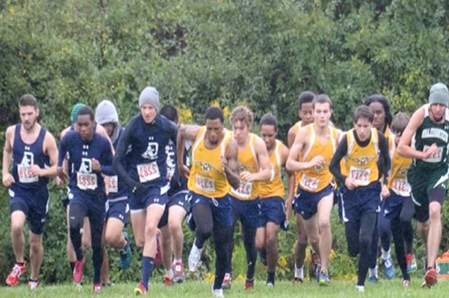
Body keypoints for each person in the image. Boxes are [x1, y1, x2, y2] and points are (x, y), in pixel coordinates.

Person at [113, 87, 178, 295]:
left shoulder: (166, 125)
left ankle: (144, 285)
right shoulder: (133, 126)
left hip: (157, 185)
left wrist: (178, 169)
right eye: (144, 107)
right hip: (136, 186)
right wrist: (130, 183)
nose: (147, 112)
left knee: (150, 227)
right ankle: (155, 238)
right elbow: (117, 161)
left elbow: (181, 139)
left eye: (150, 108)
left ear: (156, 109)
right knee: (141, 240)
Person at [178, 107, 239, 298]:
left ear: (223, 127)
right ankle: (198, 242)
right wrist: (180, 162)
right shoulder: (196, 133)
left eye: (217, 129)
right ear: (205, 125)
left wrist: (226, 170)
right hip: (199, 191)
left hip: (221, 196)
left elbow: (236, 183)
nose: (213, 133)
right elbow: (179, 131)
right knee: (205, 229)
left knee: (223, 246)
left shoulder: (229, 145)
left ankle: (217, 287)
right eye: (210, 128)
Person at [329, 105, 390, 292]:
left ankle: (360, 284)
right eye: (359, 126)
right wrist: (345, 180)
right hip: (350, 194)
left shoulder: (379, 139)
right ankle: (364, 246)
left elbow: (386, 162)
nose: (362, 131)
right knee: (353, 247)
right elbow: (332, 166)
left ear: (372, 124)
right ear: (354, 124)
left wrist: (381, 180)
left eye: (366, 126)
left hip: (371, 192)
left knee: (366, 240)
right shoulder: (346, 139)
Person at [3, 94, 59, 289]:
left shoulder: (47, 138)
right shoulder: (12, 132)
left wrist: (42, 171)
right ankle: (19, 263)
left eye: (29, 114)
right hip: (19, 190)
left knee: (36, 242)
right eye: (22, 114)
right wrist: (4, 173)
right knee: (16, 225)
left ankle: (34, 278)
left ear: (37, 112)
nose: (26, 118)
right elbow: (8, 150)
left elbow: (58, 167)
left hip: (38, 194)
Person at [397, 83, 449, 288]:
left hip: (439, 172)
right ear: (430, 104)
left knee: (435, 210)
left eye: (442, 105)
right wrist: (422, 154)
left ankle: (430, 268)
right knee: (422, 225)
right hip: (419, 173)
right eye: (435, 104)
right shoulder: (420, 115)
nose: (438, 109)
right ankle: (430, 255)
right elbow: (401, 148)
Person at [57, 106, 114, 292]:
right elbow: (62, 146)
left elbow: (113, 169)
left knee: (98, 243)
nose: (82, 129)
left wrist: (101, 168)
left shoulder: (102, 143)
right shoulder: (70, 138)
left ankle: (97, 280)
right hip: (78, 191)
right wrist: (59, 166)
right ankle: (79, 257)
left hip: (96, 195)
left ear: (93, 125)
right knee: (73, 225)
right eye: (79, 125)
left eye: (86, 125)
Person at [286, 94, 340, 286]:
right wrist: (309, 164)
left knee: (324, 222)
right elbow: (290, 163)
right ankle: (318, 260)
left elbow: (350, 154)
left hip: (326, 186)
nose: (322, 116)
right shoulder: (304, 133)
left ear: (330, 113)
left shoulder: (337, 135)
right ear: (313, 112)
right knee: (313, 239)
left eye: (325, 112)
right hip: (306, 189)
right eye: (318, 112)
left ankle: (324, 270)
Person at [224, 106, 271, 290]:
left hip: (252, 200)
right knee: (226, 234)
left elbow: (268, 172)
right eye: (234, 128)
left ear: (249, 127)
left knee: (250, 242)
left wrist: (254, 176)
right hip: (232, 197)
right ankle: (226, 274)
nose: (237, 132)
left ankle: (250, 277)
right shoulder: (227, 142)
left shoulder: (257, 144)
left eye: (241, 128)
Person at [255, 113, 294, 286]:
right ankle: (263, 253)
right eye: (263, 135)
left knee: (271, 237)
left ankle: (271, 277)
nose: (266, 139)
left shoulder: (283, 151)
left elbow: (291, 172)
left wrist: (290, 197)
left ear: (276, 133)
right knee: (259, 243)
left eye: (270, 136)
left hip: (274, 197)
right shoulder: (253, 148)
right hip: (256, 198)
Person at [95, 99, 132, 270]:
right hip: (101, 195)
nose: (105, 128)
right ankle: (103, 282)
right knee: (97, 241)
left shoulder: (124, 137)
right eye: (102, 124)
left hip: (121, 195)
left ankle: (123, 244)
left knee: (111, 237)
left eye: (108, 124)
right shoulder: (94, 140)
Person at [286, 91, 319, 282]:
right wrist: (290, 196)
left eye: (311, 112)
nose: (309, 117)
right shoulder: (294, 132)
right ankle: (298, 272)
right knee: (302, 236)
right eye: (305, 113)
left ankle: (321, 267)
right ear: (299, 113)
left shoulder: (326, 129)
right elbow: (291, 167)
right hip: (302, 187)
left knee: (320, 231)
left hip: (321, 186)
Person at [364, 94, 396, 282]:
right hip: (367, 189)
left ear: (385, 115)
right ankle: (372, 272)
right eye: (371, 113)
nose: (375, 117)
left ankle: (386, 256)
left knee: (384, 227)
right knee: (369, 233)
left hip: (389, 187)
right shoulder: (359, 135)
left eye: (379, 113)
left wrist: (386, 184)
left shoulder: (392, 137)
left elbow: (393, 164)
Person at [159, 105, 190, 283]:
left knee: (174, 223)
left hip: (180, 188)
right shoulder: (156, 135)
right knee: (164, 237)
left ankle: (178, 262)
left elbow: (201, 133)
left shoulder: (183, 136)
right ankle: (169, 272)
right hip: (161, 190)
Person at [382, 112, 414, 286]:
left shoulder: (415, 145)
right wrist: (383, 186)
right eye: (397, 133)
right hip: (393, 193)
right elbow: (380, 167)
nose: (400, 137)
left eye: (403, 133)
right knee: (396, 234)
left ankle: (411, 249)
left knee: (405, 218)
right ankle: (405, 276)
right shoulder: (388, 145)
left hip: (410, 193)